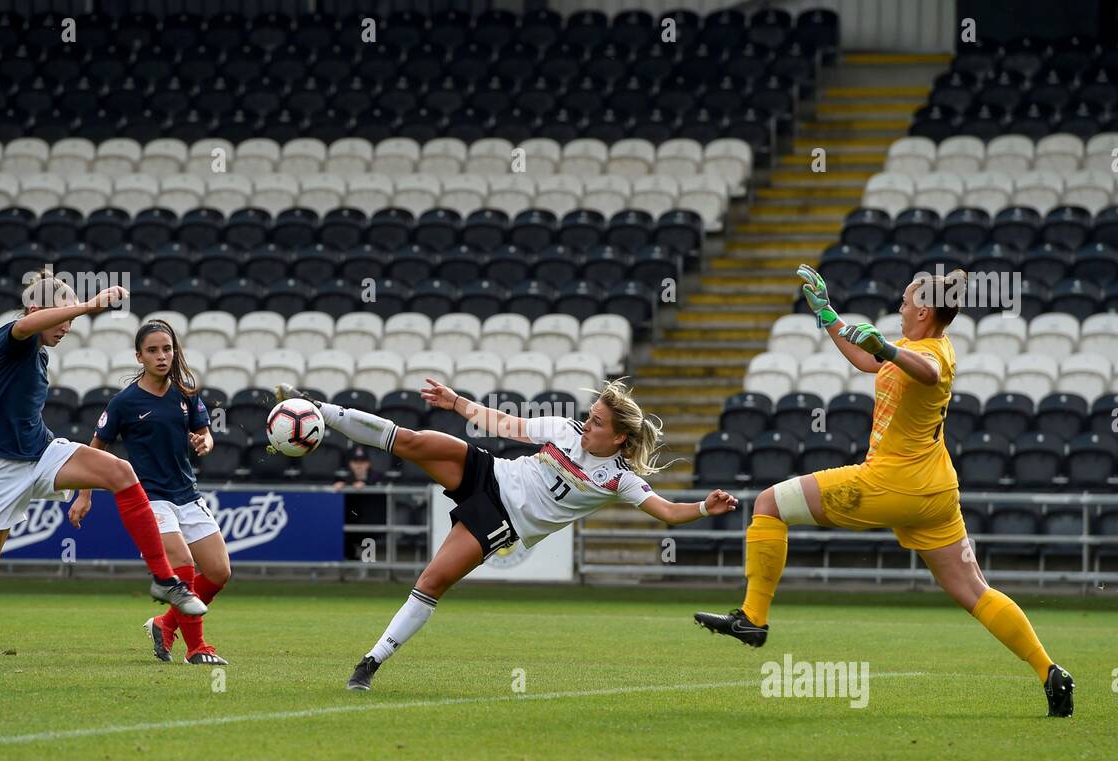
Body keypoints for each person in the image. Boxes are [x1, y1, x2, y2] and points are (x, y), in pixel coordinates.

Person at [693, 266, 1075, 717]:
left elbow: (928, 373)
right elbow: (866, 359)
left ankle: (753, 618)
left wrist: (887, 347)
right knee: (975, 591)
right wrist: (827, 314)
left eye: (906, 299)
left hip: (892, 484)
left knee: (769, 504)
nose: (899, 305)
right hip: (935, 492)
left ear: (924, 310)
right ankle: (1050, 672)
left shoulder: (933, 352)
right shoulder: (912, 347)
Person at [274, 377, 738, 691]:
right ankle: (317, 409)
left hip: (499, 521)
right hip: (487, 472)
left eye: (597, 421)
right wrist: (457, 403)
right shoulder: (564, 430)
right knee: (412, 440)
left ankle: (368, 664)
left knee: (430, 583)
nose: (588, 423)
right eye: (591, 414)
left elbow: (668, 513)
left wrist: (703, 507)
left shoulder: (619, 479)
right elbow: (506, 425)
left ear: (618, 438)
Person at [0, 271, 206, 679]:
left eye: (71, 321)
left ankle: (164, 579)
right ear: (37, 310)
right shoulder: (15, 333)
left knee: (121, 472)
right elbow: (23, 327)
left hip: (41, 453)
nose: (67, 327)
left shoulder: (37, 353)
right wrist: (92, 305)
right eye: (61, 318)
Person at [68, 320, 229, 665]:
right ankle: (197, 648)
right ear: (138, 356)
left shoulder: (185, 394)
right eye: (153, 350)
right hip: (149, 499)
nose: (162, 356)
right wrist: (85, 495)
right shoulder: (124, 402)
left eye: (167, 349)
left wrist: (205, 441)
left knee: (219, 572)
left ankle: (164, 624)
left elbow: (205, 432)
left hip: (187, 494)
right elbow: (95, 450)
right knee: (183, 563)